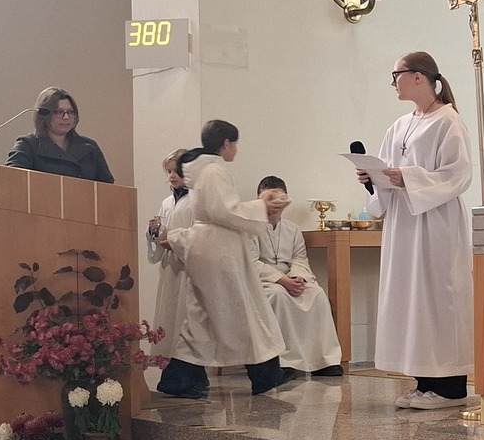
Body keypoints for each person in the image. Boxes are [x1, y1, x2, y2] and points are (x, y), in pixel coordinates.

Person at [358, 52, 476, 410]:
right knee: (411, 300)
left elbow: (458, 175)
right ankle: (424, 383)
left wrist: (406, 177)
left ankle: (451, 388)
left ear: (418, 77)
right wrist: (372, 179)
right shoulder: (399, 125)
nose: (393, 82)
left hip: (436, 223)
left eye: (396, 75)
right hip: (404, 224)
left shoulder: (448, 121)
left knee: (438, 298)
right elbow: (386, 177)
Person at [158, 120, 295, 398]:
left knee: (204, 317)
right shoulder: (214, 170)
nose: (236, 150)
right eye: (235, 144)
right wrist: (262, 206)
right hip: (219, 250)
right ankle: (265, 376)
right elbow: (224, 211)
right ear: (227, 144)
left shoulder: (204, 170)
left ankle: (181, 378)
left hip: (212, 247)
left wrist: (260, 206)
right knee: (244, 312)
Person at [251, 175, 344, 377]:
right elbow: (251, 262)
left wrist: (298, 278)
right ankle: (284, 361)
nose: (274, 205)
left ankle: (324, 360)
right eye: (268, 199)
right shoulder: (250, 228)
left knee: (316, 295)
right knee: (278, 296)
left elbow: (299, 258)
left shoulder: (292, 229)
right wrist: (282, 280)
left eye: (279, 199)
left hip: (290, 277)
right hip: (264, 281)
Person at [146, 149, 195, 366]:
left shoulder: (196, 201)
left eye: (177, 171)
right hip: (169, 267)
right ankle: (168, 361)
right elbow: (160, 236)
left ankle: (185, 365)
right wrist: (154, 232)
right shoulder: (167, 202)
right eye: (169, 172)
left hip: (187, 268)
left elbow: (198, 235)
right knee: (168, 315)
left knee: (184, 316)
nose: (172, 176)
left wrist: (175, 241)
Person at [5, 87, 114, 182]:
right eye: (59, 112)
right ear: (44, 115)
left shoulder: (90, 146)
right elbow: (11, 177)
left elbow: (107, 186)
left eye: (70, 112)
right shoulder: (27, 144)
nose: (66, 117)